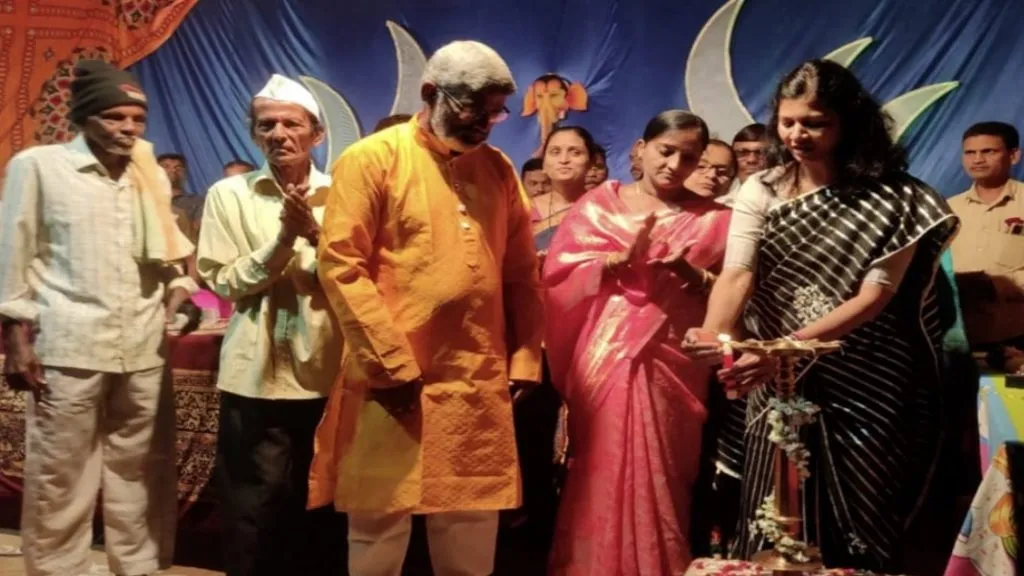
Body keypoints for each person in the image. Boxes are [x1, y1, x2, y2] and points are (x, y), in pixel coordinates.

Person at [686, 59, 958, 571]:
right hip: (775, 371)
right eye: (787, 122)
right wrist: (715, 335)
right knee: (775, 500)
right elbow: (738, 273)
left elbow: (874, 296)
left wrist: (785, 351)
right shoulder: (761, 188)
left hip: (868, 374)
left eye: (815, 123)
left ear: (849, 122)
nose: (797, 135)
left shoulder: (897, 198)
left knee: (864, 502)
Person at [308, 40, 544, 576]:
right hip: (393, 374)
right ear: (431, 92)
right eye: (474, 108)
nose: (485, 123)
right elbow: (341, 265)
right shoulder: (372, 159)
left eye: (496, 112)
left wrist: (526, 356)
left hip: (476, 375)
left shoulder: (499, 168)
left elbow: (521, 272)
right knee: (380, 518)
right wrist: (390, 364)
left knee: (471, 517)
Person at [0, 59, 195, 576]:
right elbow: (13, 251)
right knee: (62, 471)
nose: (128, 129)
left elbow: (165, 251)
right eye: (114, 117)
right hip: (69, 343)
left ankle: (138, 565)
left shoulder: (150, 173)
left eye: (137, 119)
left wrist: (180, 288)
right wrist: (15, 337)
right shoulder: (39, 166)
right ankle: (59, 569)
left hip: (144, 344)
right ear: (83, 118)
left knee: (142, 467)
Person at [544, 110, 730, 575]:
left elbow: (736, 293)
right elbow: (557, 278)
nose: (674, 165)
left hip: (675, 359)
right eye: (666, 151)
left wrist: (693, 274)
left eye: (689, 158)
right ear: (641, 149)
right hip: (606, 353)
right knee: (599, 468)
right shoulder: (598, 206)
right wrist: (614, 261)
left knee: (664, 471)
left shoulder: (715, 220)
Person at [196, 74, 344, 575]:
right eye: (267, 125)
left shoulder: (343, 194)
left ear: (317, 133)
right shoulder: (228, 195)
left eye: (291, 124)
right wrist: (283, 240)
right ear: (254, 134)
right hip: (254, 373)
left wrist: (317, 236)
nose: (278, 133)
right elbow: (223, 281)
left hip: (326, 369)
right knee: (251, 505)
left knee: (321, 502)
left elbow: (358, 277)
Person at [948, 121, 1024, 371]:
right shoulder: (947, 209)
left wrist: (1001, 284)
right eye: (970, 153)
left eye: (988, 151)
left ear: (1013, 155)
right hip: (959, 340)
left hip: (1018, 340)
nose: (977, 160)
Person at [530, 126, 598, 253]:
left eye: (575, 153)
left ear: (591, 162)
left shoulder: (602, 208)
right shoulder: (523, 211)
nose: (564, 160)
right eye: (555, 152)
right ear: (543, 163)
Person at [718, 124, 768, 206]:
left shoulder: (789, 201)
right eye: (742, 153)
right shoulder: (720, 206)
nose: (751, 160)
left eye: (761, 153)